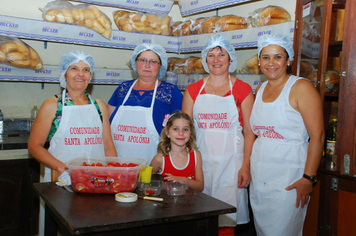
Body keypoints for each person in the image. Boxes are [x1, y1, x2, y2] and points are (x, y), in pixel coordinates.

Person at [28, 50, 117, 236]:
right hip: (62, 182)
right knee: (62, 228)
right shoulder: (53, 106)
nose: (80, 74)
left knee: (93, 225)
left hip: (96, 181)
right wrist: (61, 168)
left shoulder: (99, 106)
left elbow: (108, 145)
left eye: (86, 70)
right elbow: (34, 146)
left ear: (90, 76)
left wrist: (115, 175)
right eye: (74, 68)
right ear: (64, 73)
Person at [249, 34, 325, 236]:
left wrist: (308, 178)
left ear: (288, 60)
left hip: (289, 177)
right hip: (260, 176)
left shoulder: (301, 87)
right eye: (265, 57)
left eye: (277, 57)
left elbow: (317, 136)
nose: (271, 63)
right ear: (259, 61)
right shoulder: (260, 88)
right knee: (262, 231)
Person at [182, 34, 255, 236]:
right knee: (199, 215)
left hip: (232, 163)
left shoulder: (243, 89)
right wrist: (185, 164)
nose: (216, 60)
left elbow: (250, 132)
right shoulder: (193, 90)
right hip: (200, 161)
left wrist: (246, 167)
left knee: (226, 219)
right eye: (211, 55)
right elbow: (184, 132)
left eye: (221, 54)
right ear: (205, 60)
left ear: (230, 58)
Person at [107, 43, 183, 164]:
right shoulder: (123, 88)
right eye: (143, 60)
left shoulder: (171, 91)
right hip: (117, 163)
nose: (147, 65)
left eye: (153, 62)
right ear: (135, 63)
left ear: (160, 66)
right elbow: (106, 123)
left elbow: (182, 128)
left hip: (153, 164)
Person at [150, 111, 204, 191]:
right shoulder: (160, 159)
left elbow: (200, 187)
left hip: (190, 203)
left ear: (190, 133)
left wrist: (184, 180)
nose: (181, 133)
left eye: (185, 129)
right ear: (167, 132)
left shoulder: (196, 155)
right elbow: (148, 182)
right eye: (175, 129)